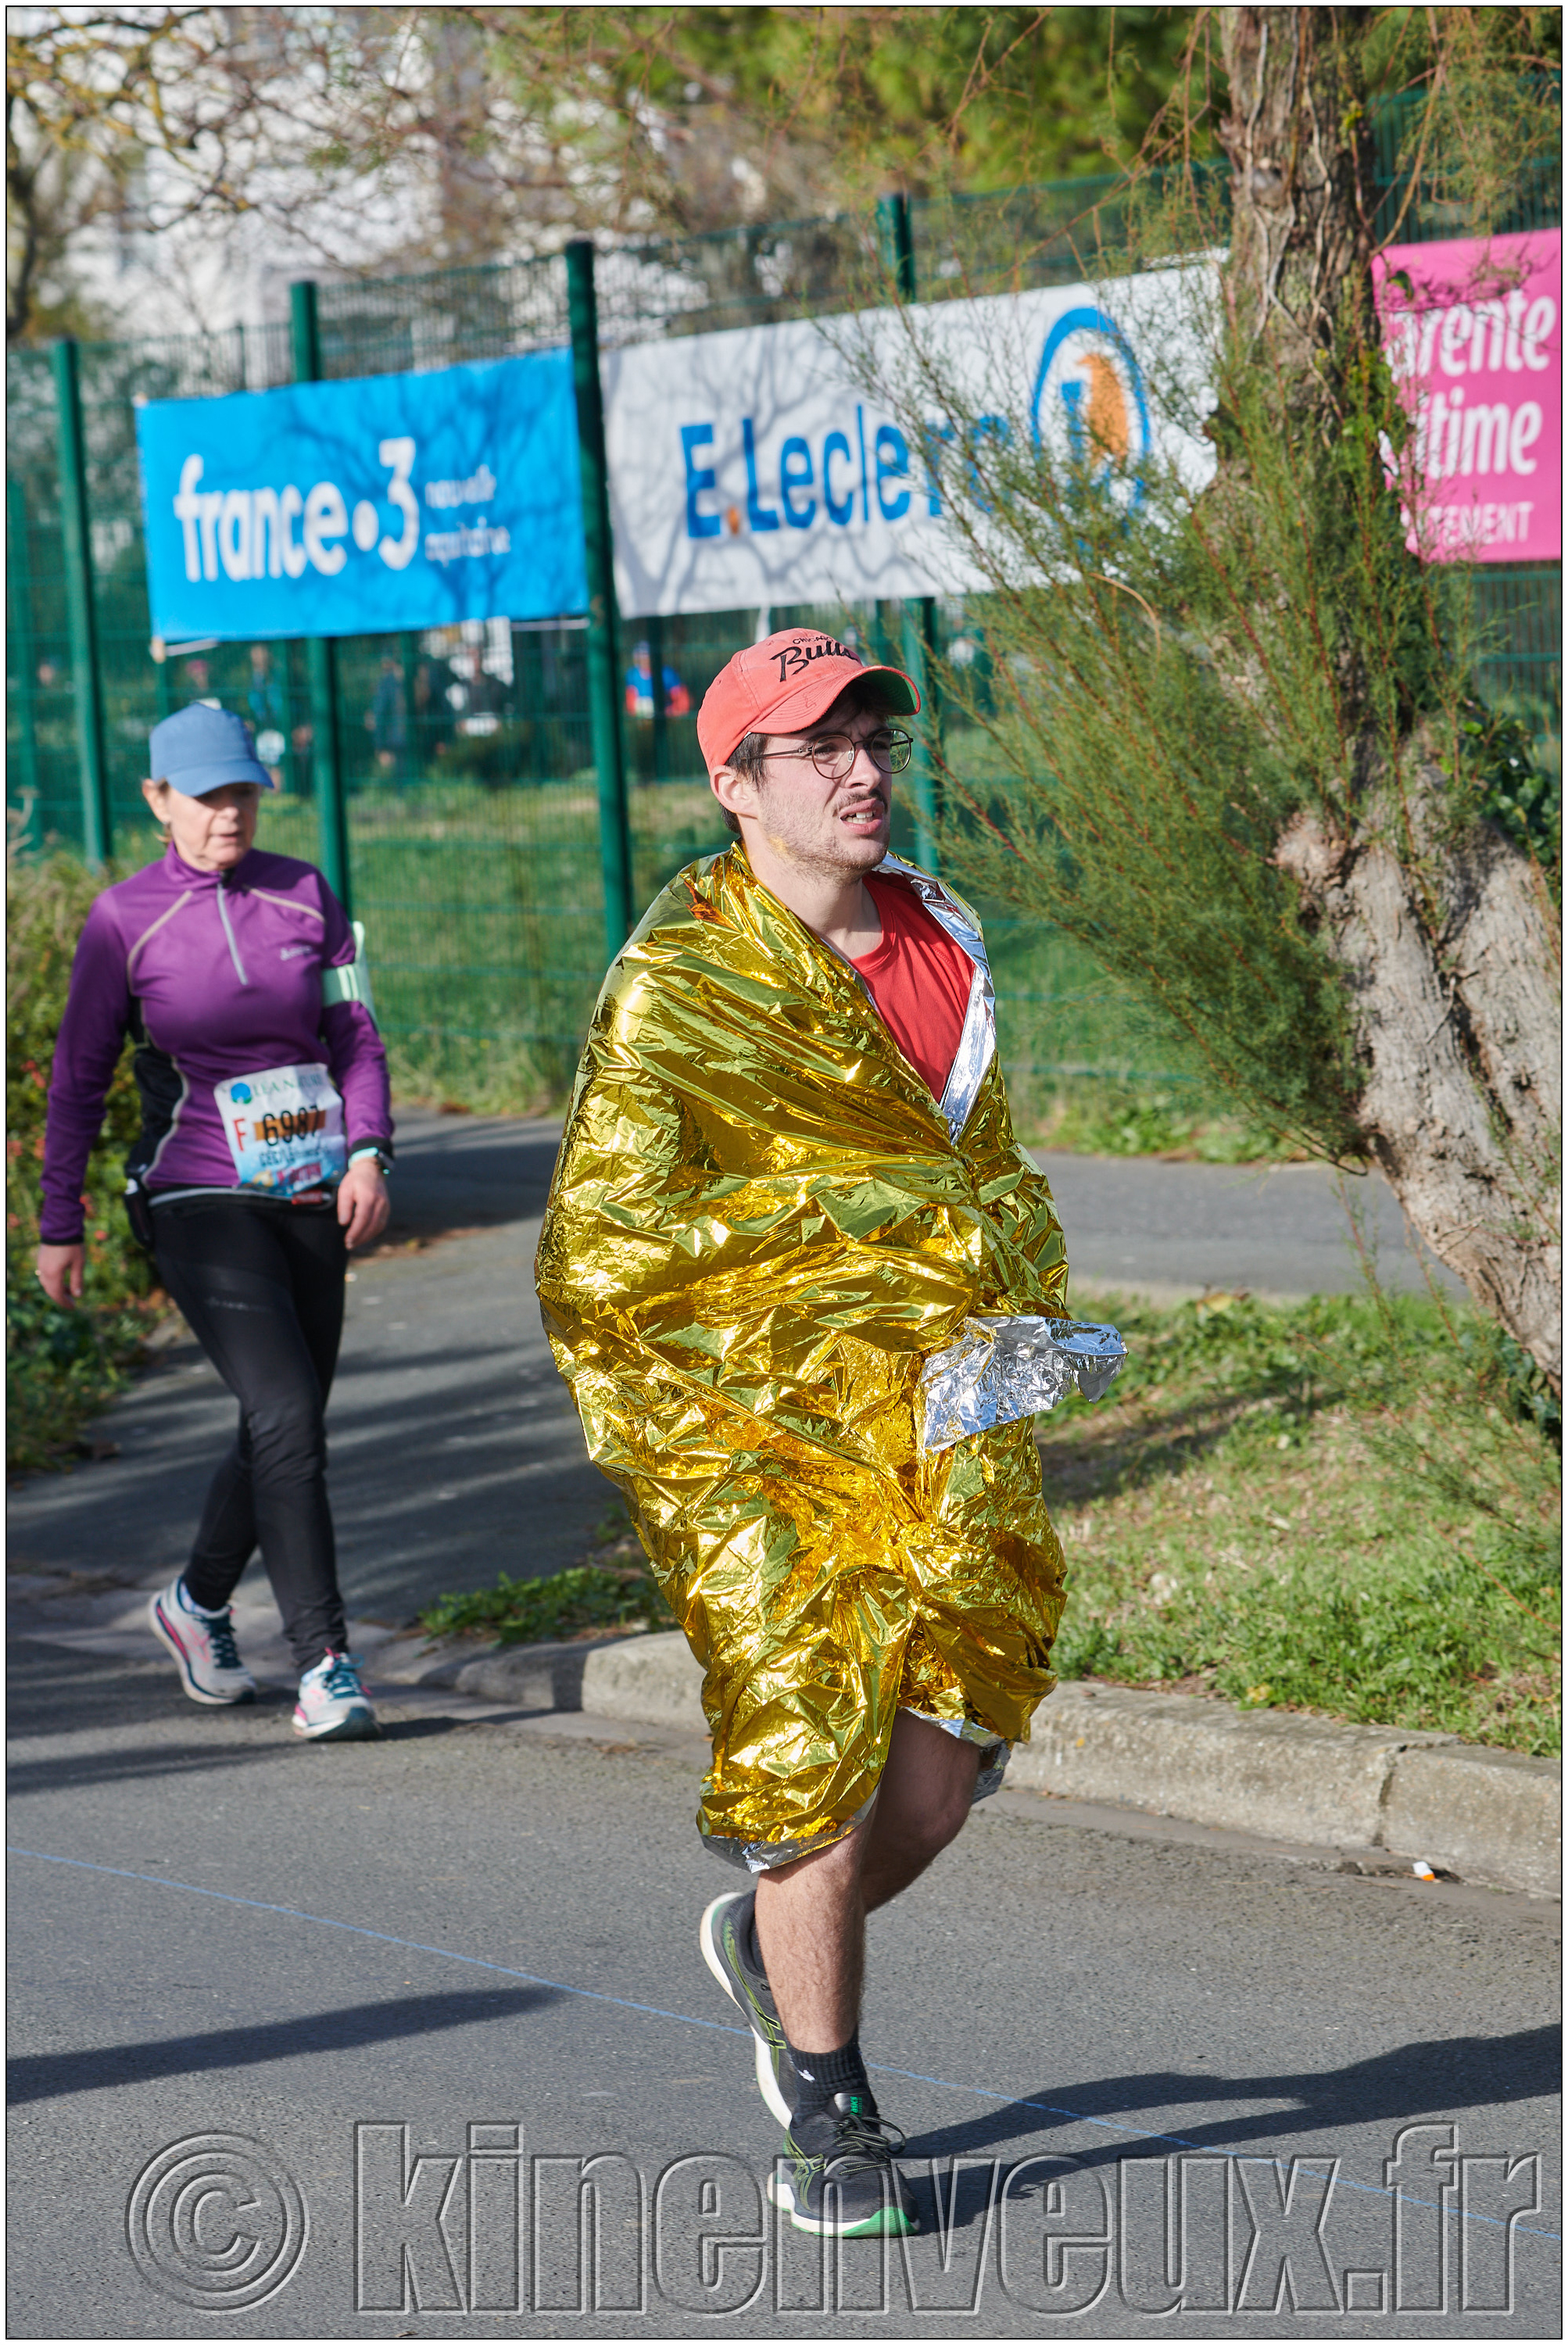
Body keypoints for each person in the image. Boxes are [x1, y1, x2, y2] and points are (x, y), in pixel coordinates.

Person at [537, 627, 1086, 2237]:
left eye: (873, 737)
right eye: (816, 746)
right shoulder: (681, 986)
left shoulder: (941, 936)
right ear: (734, 786)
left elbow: (968, 1175)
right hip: (752, 1429)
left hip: (941, 1410)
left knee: (936, 1779)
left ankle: (772, 1945)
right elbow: (608, 1237)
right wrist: (866, 1232)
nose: (860, 769)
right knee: (815, 1762)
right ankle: (831, 2110)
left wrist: (1017, 1294)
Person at [36, 703, 395, 1742]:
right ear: (158, 801)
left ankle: (193, 1606)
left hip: (309, 1191)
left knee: (283, 1422)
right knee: (285, 1413)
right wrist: (61, 1223)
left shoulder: (306, 893)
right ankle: (325, 1662)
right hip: (195, 1192)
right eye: (207, 797)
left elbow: (353, 1032)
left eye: (242, 792)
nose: (229, 813)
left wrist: (369, 1147)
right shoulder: (123, 920)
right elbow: (77, 1082)